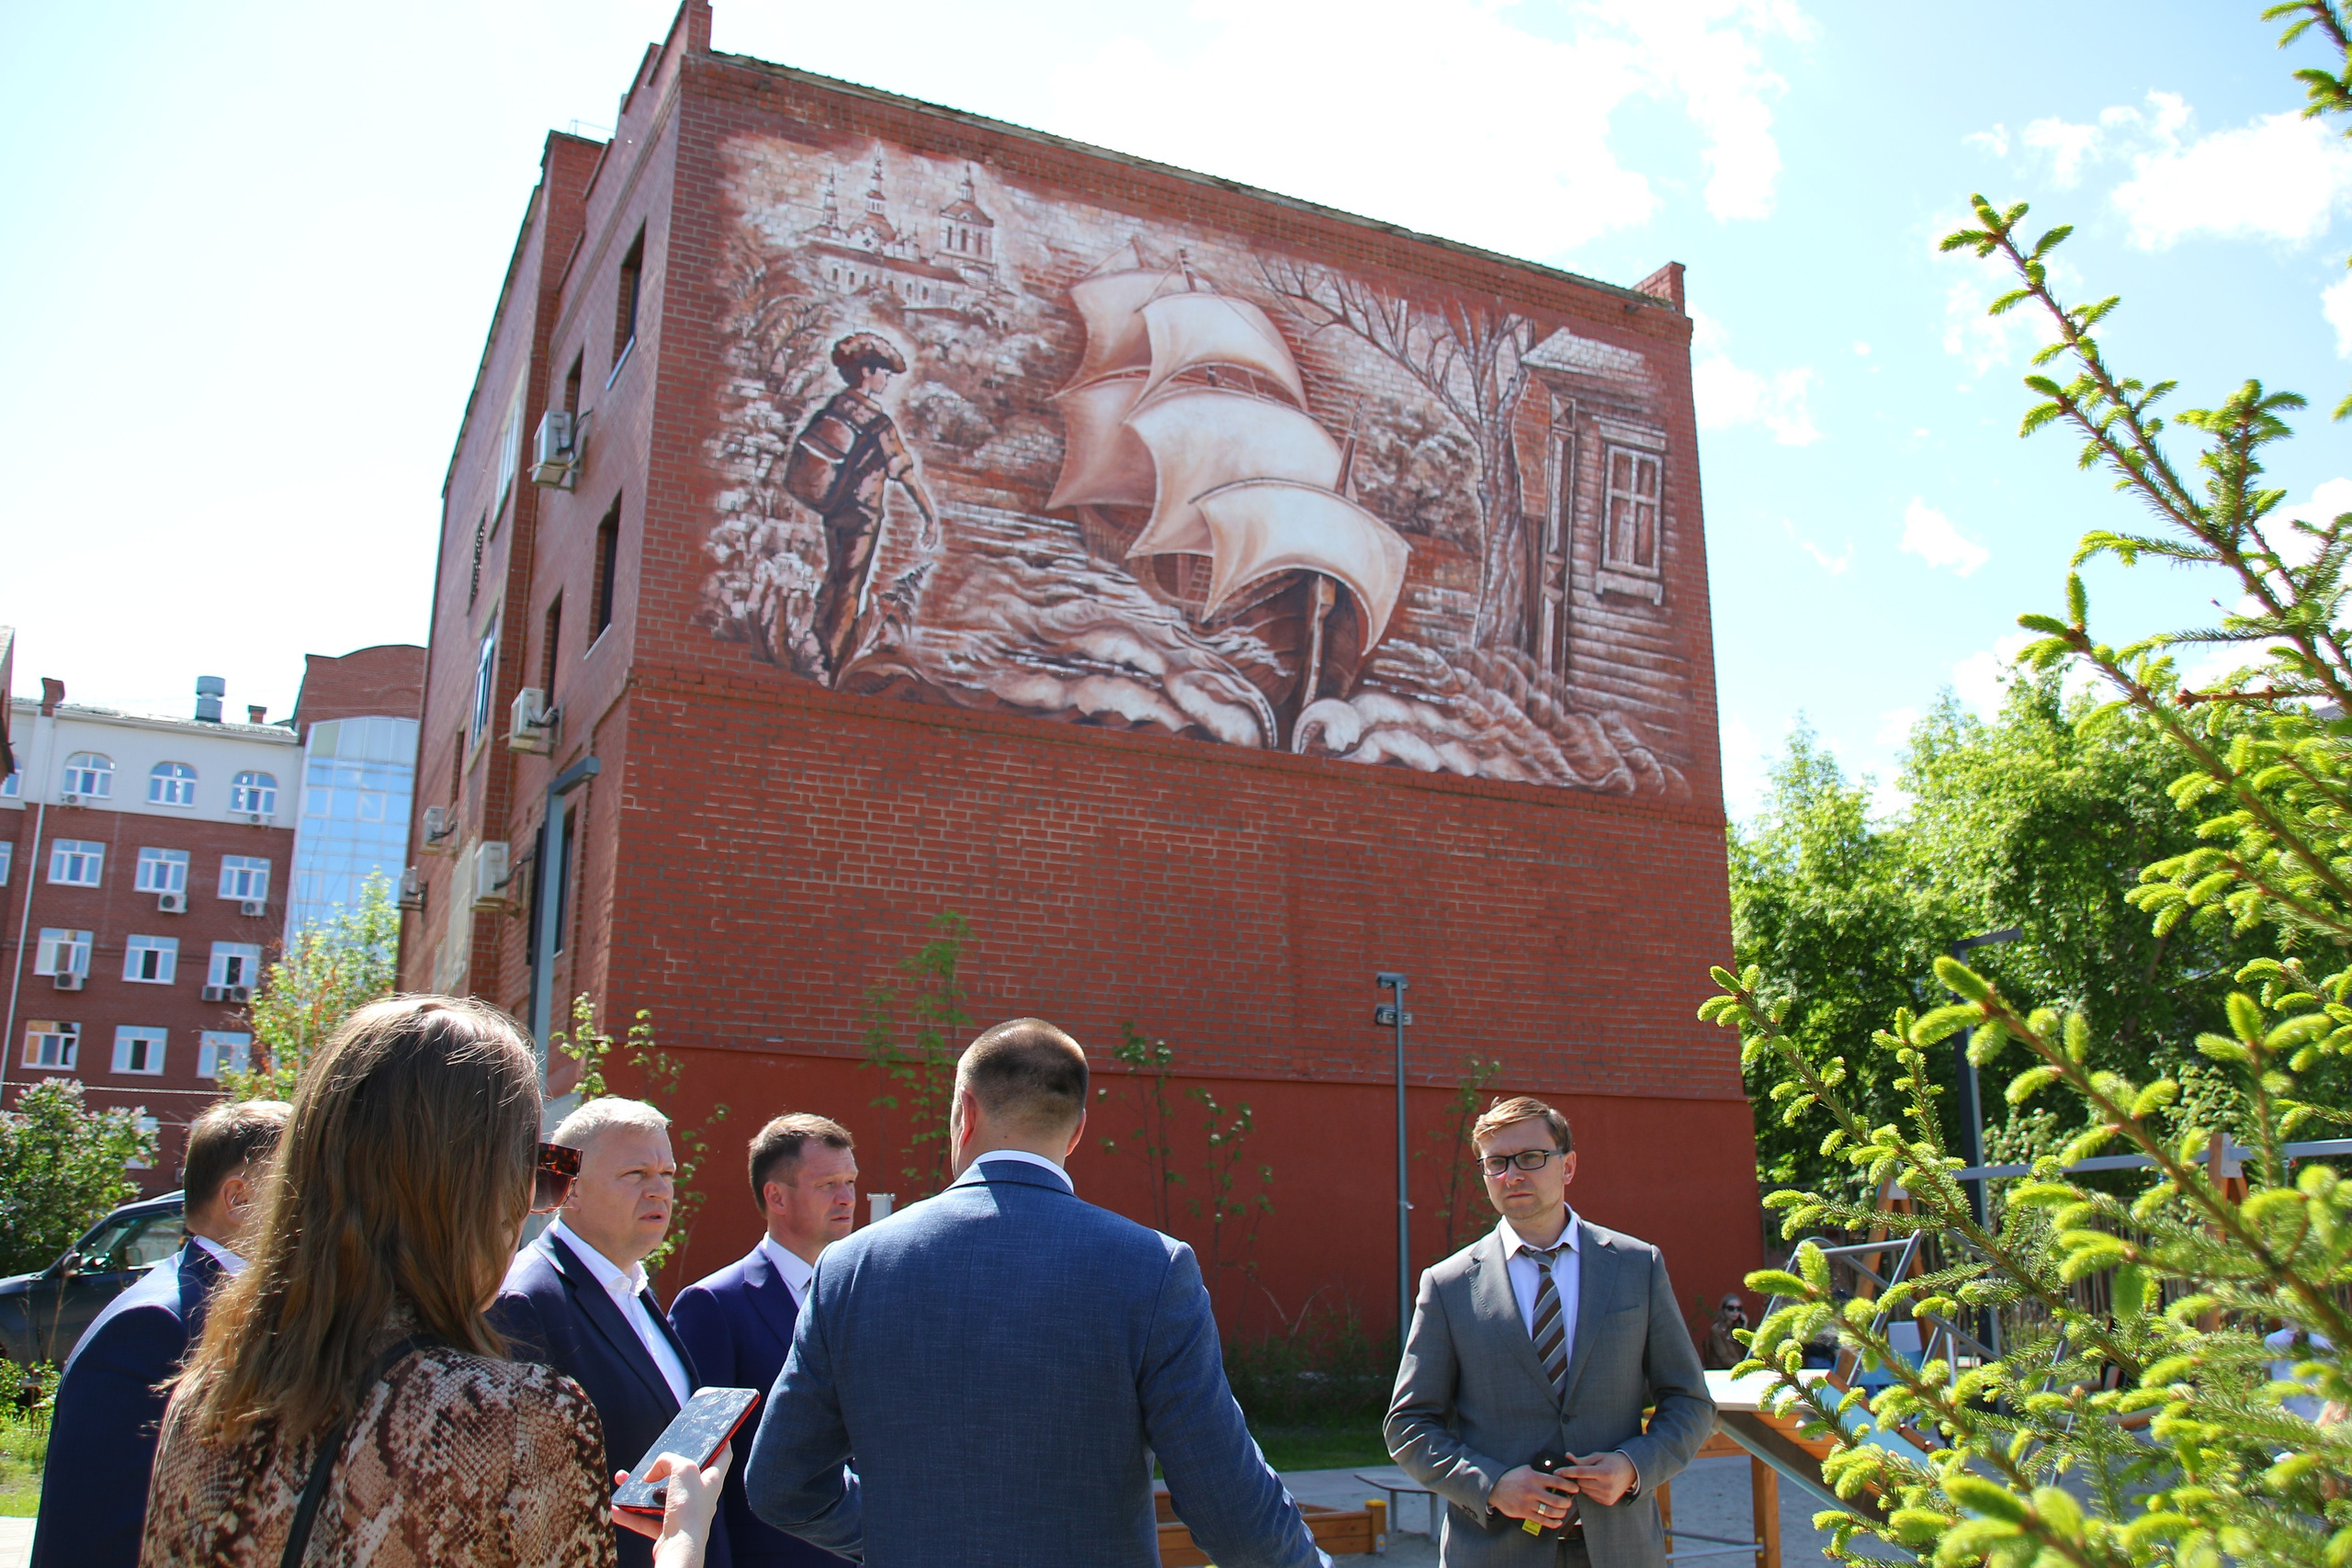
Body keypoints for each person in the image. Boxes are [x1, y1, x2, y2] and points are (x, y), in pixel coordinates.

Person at [139, 995, 725, 1567]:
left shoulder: (205, 1396)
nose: (535, 1200)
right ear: (470, 1190)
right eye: (534, 1169)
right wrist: (683, 1539)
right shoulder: (513, 1414)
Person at [744, 1018, 1329, 1568]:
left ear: (965, 1113)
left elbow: (781, 1485)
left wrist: (905, 1536)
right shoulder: (1151, 1267)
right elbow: (1228, 1505)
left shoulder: (851, 1267)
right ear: (1076, 1132)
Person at [1385, 1096, 1714, 1567]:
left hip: (1621, 1548)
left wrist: (1634, 1466)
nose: (1512, 1175)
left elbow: (1690, 1401)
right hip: (1495, 1550)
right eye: (1496, 1163)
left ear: (1568, 1166)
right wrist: (1493, 1485)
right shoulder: (1449, 1284)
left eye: (1531, 1158)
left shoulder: (1636, 1266)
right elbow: (1408, 1426)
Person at [33, 1098, 291, 1568]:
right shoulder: (154, 1326)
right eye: (306, 1187)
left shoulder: (225, 1308)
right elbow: (99, 1538)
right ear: (239, 1199)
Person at [494, 1098, 723, 1568]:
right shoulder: (526, 1300)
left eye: (668, 1173)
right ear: (569, 1190)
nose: (660, 1189)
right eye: (636, 1174)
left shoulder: (632, 1287)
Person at [672, 1115, 859, 1568]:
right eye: (827, 1184)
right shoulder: (713, 1305)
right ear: (775, 1195)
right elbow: (696, 1469)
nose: (846, 1198)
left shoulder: (862, 1295)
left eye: (851, 1181)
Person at [786, 332, 939, 683]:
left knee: (834, 577)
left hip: (833, 508)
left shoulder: (837, 406)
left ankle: (817, 647)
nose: (887, 380)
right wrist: (929, 515)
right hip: (863, 516)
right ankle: (831, 665)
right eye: (884, 372)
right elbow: (906, 474)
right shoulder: (879, 423)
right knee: (850, 589)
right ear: (867, 370)